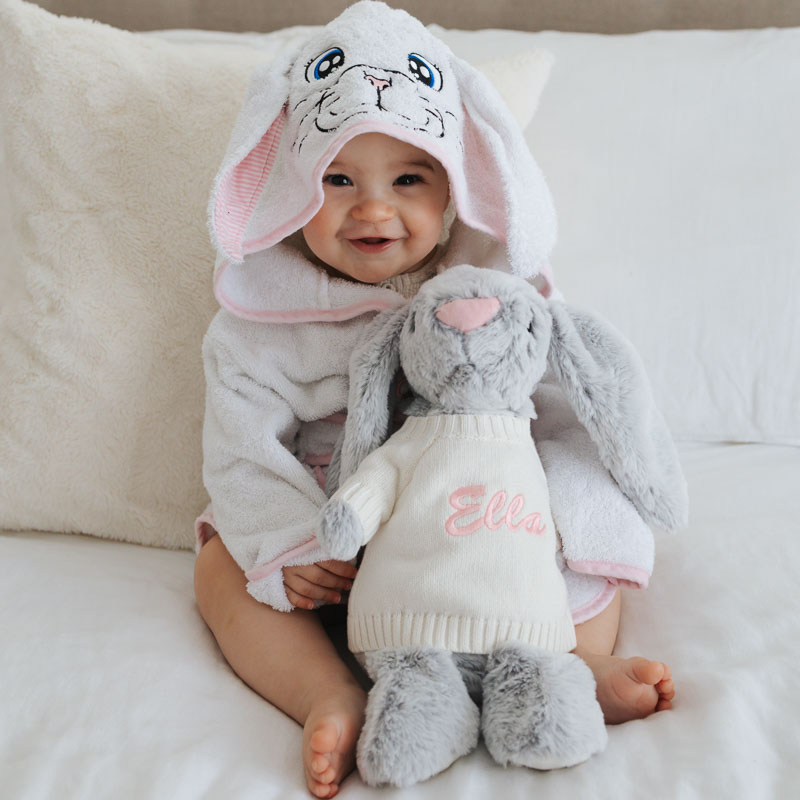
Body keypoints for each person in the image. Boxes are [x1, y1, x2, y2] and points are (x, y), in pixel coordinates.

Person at [194, 3, 681, 797]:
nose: (374, 209)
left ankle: (572, 657)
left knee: (582, 546)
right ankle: (330, 690)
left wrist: (578, 509)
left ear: (455, 184)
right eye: (338, 180)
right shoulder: (260, 319)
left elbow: (567, 414)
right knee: (217, 566)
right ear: (288, 186)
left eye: (408, 179)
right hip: (337, 554)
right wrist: (289, 546)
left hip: (484, 537)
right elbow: (239, 446)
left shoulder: (495, 292)